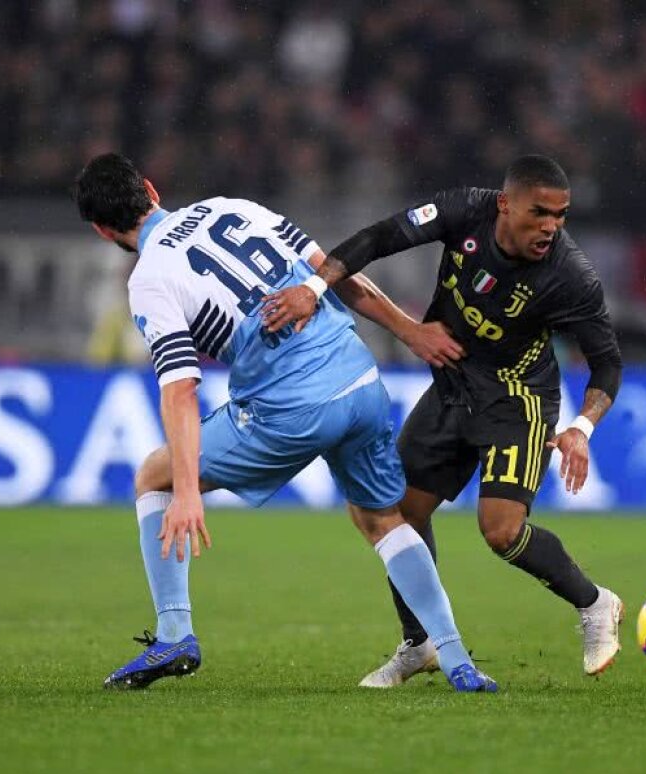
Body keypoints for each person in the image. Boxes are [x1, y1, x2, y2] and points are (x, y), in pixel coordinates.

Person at [71, 152, 496, 693]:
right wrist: (408, 330)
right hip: (360, 378)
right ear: (151, 189)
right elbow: (339, 276)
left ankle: (175, 632)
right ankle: (456, 657)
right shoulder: (235, 208)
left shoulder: (150, 278)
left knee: (152, 475)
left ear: (103, 230)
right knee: (381, 519)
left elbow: (180, 388)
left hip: (290, 408)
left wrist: (186, 490)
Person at [262, 154, 625, 686]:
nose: (551, 226)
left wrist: (582, 427)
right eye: (539, 212)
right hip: (453, 385)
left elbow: (608, 363)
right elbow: (379, 237)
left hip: (516, 399)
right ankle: (420, 642)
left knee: (501, 532)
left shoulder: (570, 276)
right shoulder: (464, 210)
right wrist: (315, 290)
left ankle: (595, 604)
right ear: (506, 204)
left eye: (561, 215)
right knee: (396, 513)